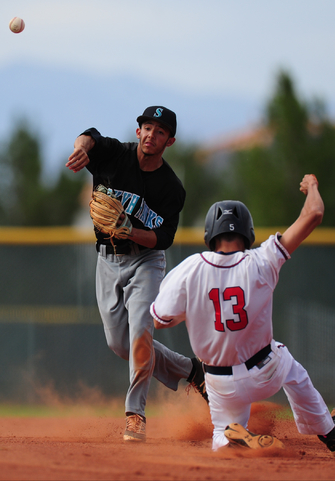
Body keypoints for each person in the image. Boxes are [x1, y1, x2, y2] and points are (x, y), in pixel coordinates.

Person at [150, 175, 335, 456]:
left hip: (219, 382)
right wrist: (313, 185)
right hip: (266, 371)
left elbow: (160, 320)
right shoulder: (262, 260)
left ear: (210, 234)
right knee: (293, 371)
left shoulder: (189, 269)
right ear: (248, 232)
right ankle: (332, 435)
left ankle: (228, 439)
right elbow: (314, 214)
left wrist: (196, 309)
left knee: (220, 432)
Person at [66, 106, 207, 442]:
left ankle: (135, 415)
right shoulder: (114, 155)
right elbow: (91, 136)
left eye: (159, 131)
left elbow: (163, 239)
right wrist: (83, 148)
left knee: (141, 334)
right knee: (120, 344)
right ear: (138, 131)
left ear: (169, 141)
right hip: (106, 260)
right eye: (147, 127)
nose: (151, 135)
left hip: (146, 261)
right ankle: (191, 370)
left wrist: (129, 231)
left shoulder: (171, 187)